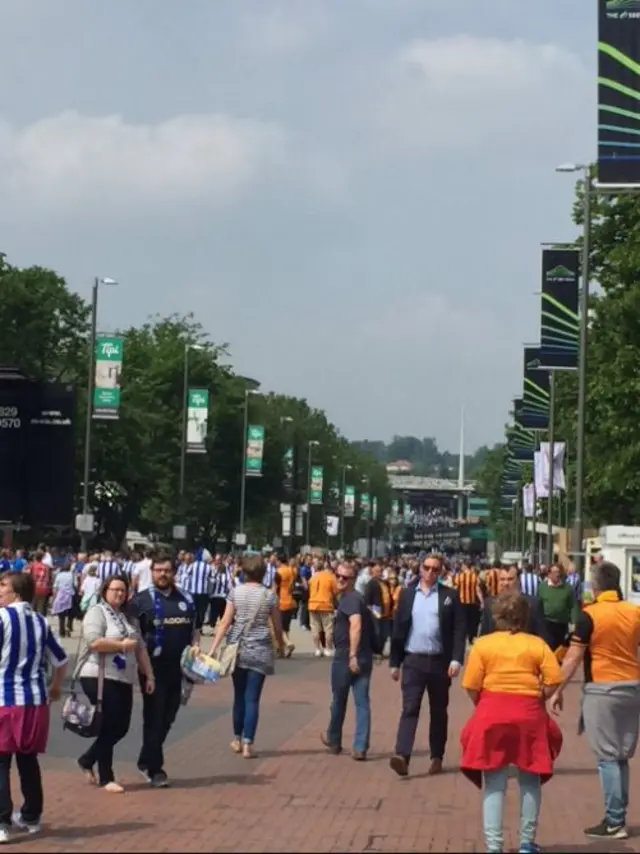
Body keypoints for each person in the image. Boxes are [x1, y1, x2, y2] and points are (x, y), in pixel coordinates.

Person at [460, 592, 563, 854]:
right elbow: (553, 679)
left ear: (497, 617)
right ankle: (527, 842)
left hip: (493, 709)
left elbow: (471, 685)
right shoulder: (537, 644)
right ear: (525, 617)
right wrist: (541, 696)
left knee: (494, 781)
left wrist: (484, 704)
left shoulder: (483, 645)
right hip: (528, 711)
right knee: (530, 778)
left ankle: (494, 846)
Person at [550, 561, 640, 841]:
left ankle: (614, 821)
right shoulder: (634, 611)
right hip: (632, 687)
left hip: (602, 688)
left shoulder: (590, 616)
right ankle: (618, 815)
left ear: (597, 585)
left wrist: (556, 689)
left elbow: (574, 658)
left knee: (607, 758)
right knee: (621, 757)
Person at [0, 572, 67, 842]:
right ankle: (31, 815)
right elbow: (61, 660)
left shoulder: (2, 618)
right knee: (28, 760)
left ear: (16, 593)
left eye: (3, 586)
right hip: (35, 702)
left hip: (5, 699)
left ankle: (2, 822)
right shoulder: (41, 622)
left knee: (1, 761)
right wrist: (55, 687)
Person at [389, 554, 466, 778]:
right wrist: (395, 662)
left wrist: (456, 659)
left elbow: (459, 630)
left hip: (439, 662)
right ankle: (402, 755)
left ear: (441, 572)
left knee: (438, 710)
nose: (430, 572)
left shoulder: (449, 596)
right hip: (413, 660)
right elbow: (398, 630)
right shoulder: (406, 595)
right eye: (427, 568)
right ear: (420, 569)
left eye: (435, 569)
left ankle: (437, 756)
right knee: (410, 708)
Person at [77, 574, 154, 793]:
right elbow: (94, 641)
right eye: (115, 589)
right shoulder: (97, 612)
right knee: (109, 724)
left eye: (123, 590)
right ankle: (106, 776)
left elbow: (140, 649)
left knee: (121, 726)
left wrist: (149, 675)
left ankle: (87, 759)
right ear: (105, 591)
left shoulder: (129, 618)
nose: (119, 594)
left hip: (123, 677)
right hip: (98, 674)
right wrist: (120, 645)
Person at [208, 557, 284, 759]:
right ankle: (249, 744)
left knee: (239, 696)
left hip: (238, 649)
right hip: (260, 649)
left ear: (244, 572)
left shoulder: (235, 592)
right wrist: (281, 645)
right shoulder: (270, 596)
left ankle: (236, 739)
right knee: (253, 699)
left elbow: (225, 622)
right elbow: (277, 626)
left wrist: (214, 648)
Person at [131, 553, 196, 787]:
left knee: (168, 717)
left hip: (179, 671)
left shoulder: (186, 599)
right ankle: (155, 768)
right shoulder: (141, 600)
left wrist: (196, 655)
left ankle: (145, 758)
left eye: (167, 570)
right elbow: (134, 636)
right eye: (158, 570)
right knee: (154, 717)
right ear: (151, 571)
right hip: (153, 670)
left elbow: (193, 632)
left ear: (174, 572)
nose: (162, 574)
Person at [321, 563, 373, 760]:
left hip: (347, 656)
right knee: (361, 702)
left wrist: (352, 654)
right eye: (339, 576)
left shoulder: (350, 600)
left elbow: (356, 625)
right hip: (363, 655)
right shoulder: (355, 599)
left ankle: (335, 739)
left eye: (345, 577)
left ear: (353, 580)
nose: (340, 580)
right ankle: (359, 745)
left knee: (339, 699)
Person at [479, 566, 551, 646]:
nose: (506, 583)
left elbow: (542, 636)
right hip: (497, 652)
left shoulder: (533, 603)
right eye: (502, 579)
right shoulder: (489, 603)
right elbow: (484, 634)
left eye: (510, 579)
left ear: (518, 580)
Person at [537, 564, 579, 653]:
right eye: (554, 572)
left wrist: (574, 622)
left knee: (560, 649)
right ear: (549, 574)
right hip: (547, 623)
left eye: (559, 572)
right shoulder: (542, 587)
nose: (557, 574)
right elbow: (538, 604)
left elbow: (573, 606)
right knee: (548, 647)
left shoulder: (567, 588)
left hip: (562, 623)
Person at [51, 561, 77, 638]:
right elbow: (75, 584)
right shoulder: (72, 575)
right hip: (70, 595)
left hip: (61, 595)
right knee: (70, 614)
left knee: (61, 615)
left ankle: (61, 631)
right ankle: (69, 627)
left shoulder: (59, 575)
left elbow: (55, 586)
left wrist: (54, 597)